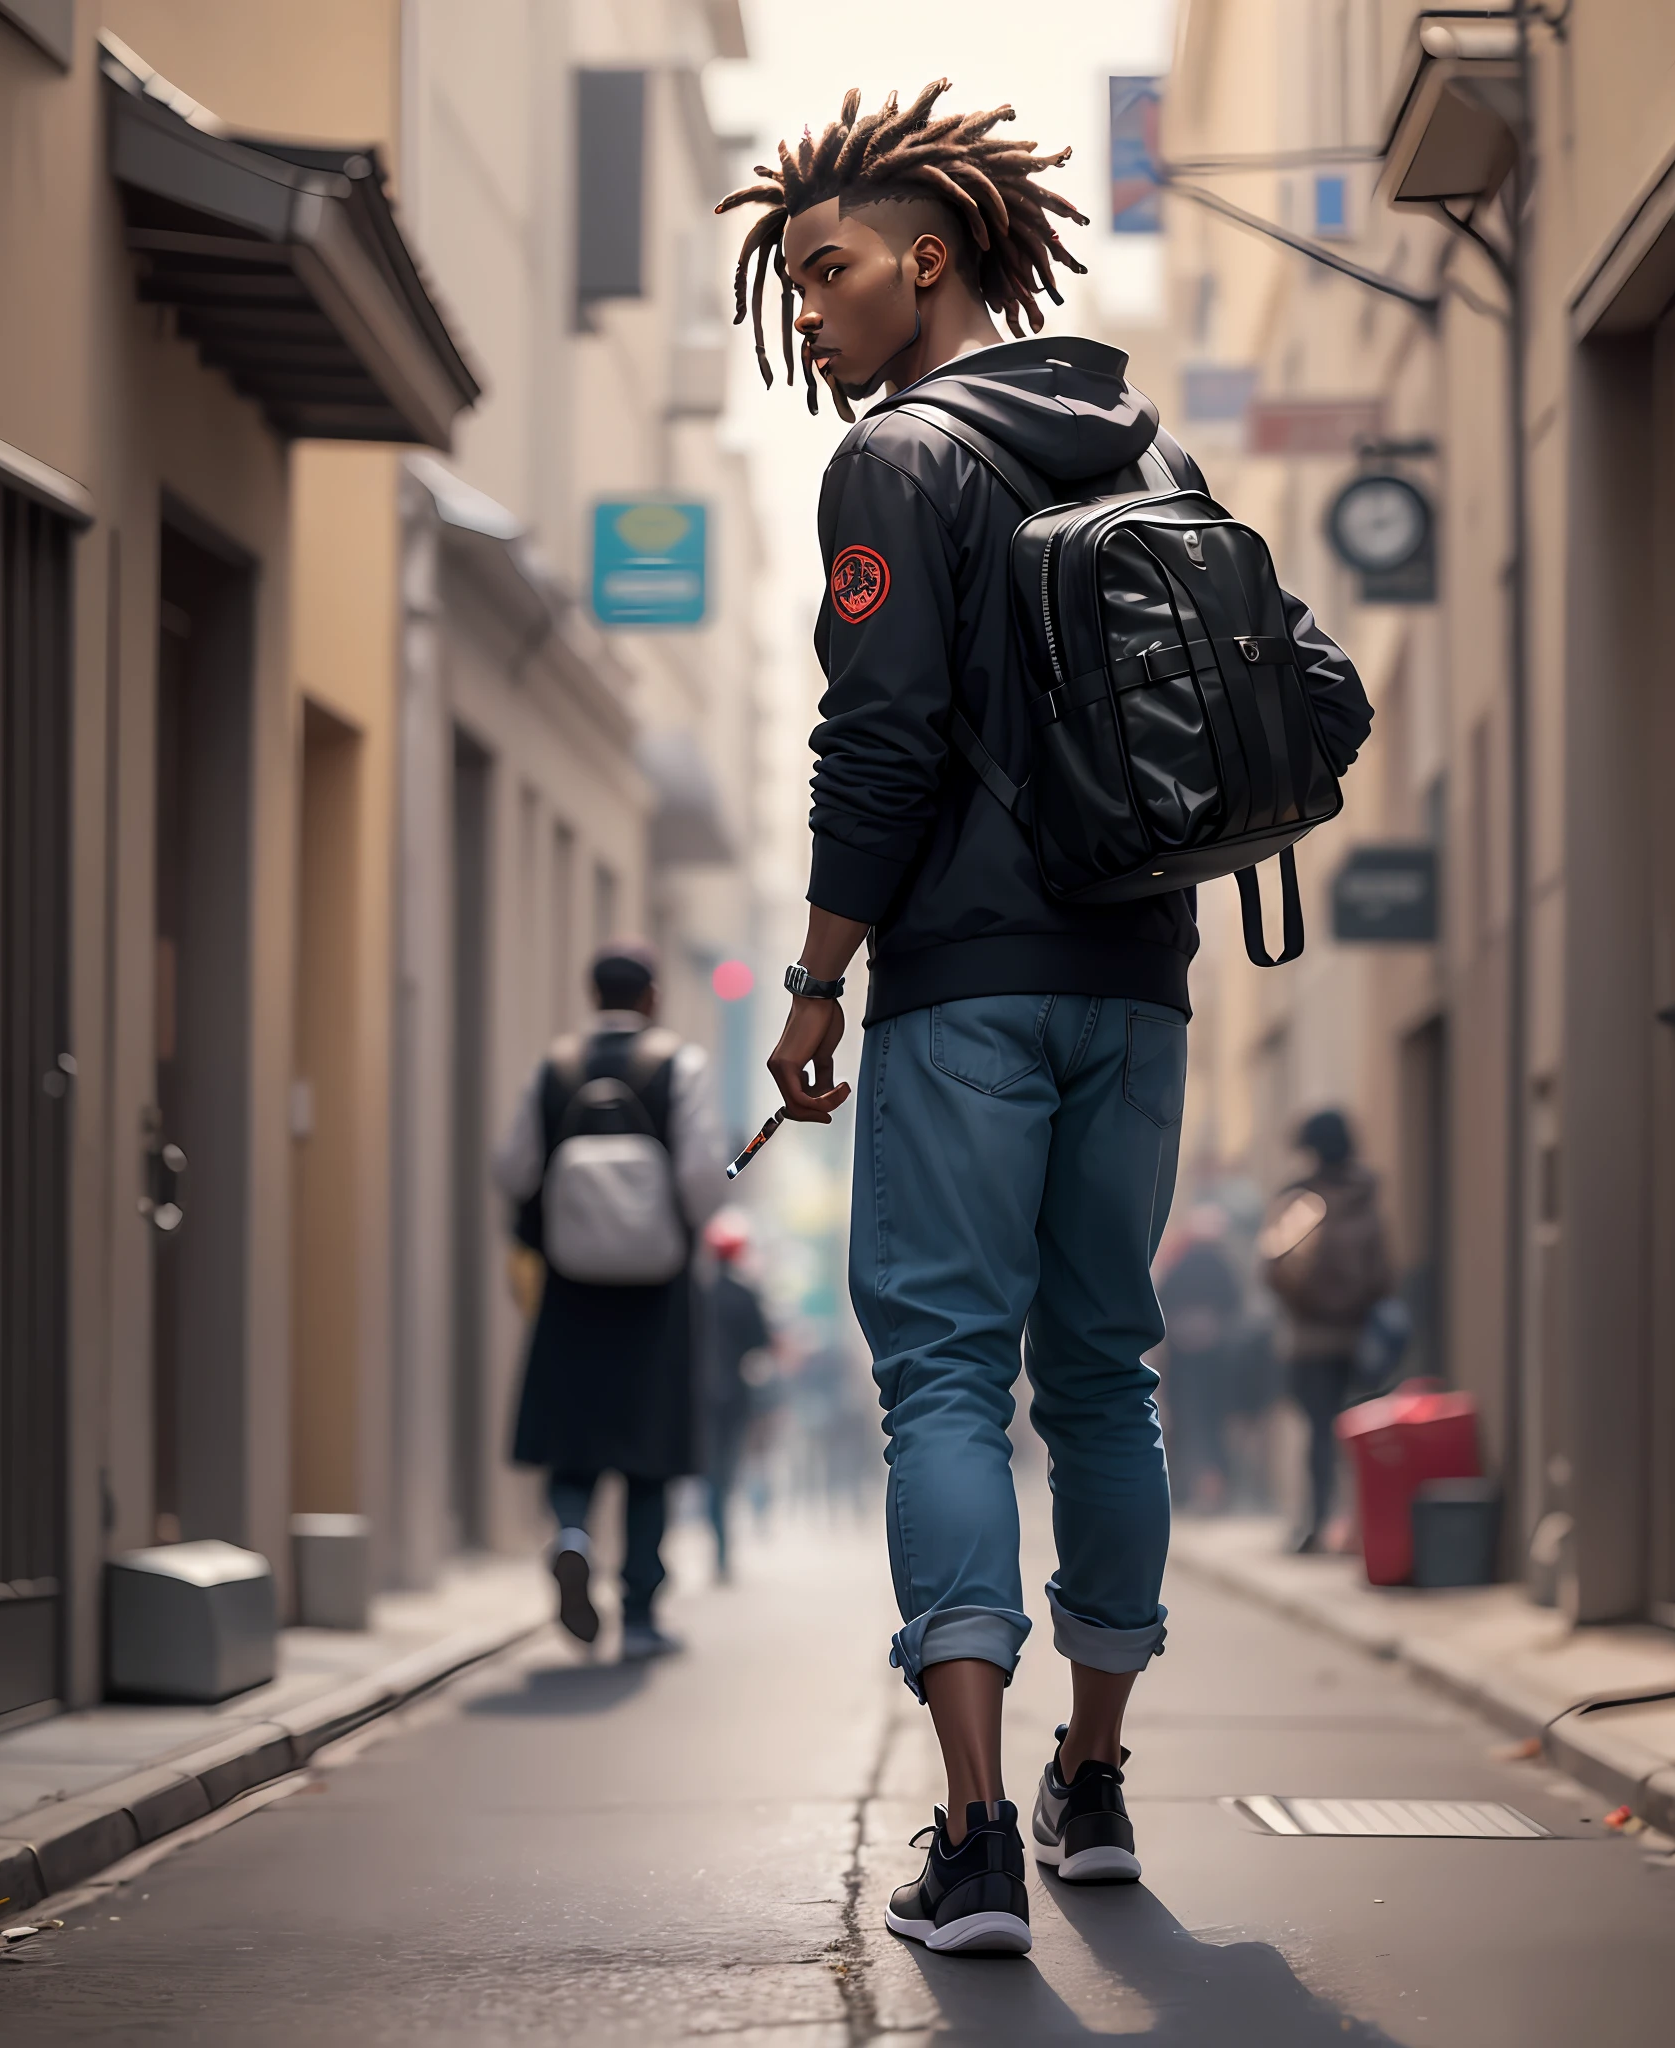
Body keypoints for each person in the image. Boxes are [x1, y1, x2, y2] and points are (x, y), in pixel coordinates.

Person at [721, 81, 1373, 1956]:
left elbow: (881, 738)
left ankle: (978, 1835)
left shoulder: (893, 462)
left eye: (826, 269)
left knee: (940, 1375)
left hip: (962, 995)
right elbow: (1311, 686)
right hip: (1137, 984)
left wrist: (821, 980)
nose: (813, 309)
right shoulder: (1145, 448)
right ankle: (1093, 1785)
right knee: (1103, 1371)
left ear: (929, 262)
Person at [492, 941, 727, 1659]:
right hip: (656, 1293)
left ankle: (571, 1535)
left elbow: (511, 1169)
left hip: (572, 1286)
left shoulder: (554, 1069)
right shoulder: (678, 1067)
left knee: (573, 1441)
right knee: (650, 1454)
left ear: (592, 995)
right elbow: (700, 1180)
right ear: (652, 996)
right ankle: (643, 1613)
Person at [1265, 1109, 1393, 1556]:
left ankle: (1318, 1525)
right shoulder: (1366, 1195)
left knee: (1319, 1435)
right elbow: (1383, 1273)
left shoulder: (1298, 1199)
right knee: (1365, 1438)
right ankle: (1364, 1529)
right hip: (1360, 1339)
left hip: (1309, 1340)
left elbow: (1273, 1268)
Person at [696, 1210, 771, 1582]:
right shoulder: (745, 1295)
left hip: (700, 1398)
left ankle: (718, 1547)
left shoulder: (700, 1294)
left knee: (710, 1474)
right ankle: (722, 1553)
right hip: (735, 1398)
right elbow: (762, 1342)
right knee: (725, 1474)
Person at [1154, 1206, 1243, 1511]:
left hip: (1182, 1358)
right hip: (1215, 1358)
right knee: (1212, 1423)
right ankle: (1217, 1489)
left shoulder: (1180, 1263)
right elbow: (1235, 1303)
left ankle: (1185, 1489)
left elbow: (1160, 1300)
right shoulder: (1222, 1265)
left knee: (1184, 1420)